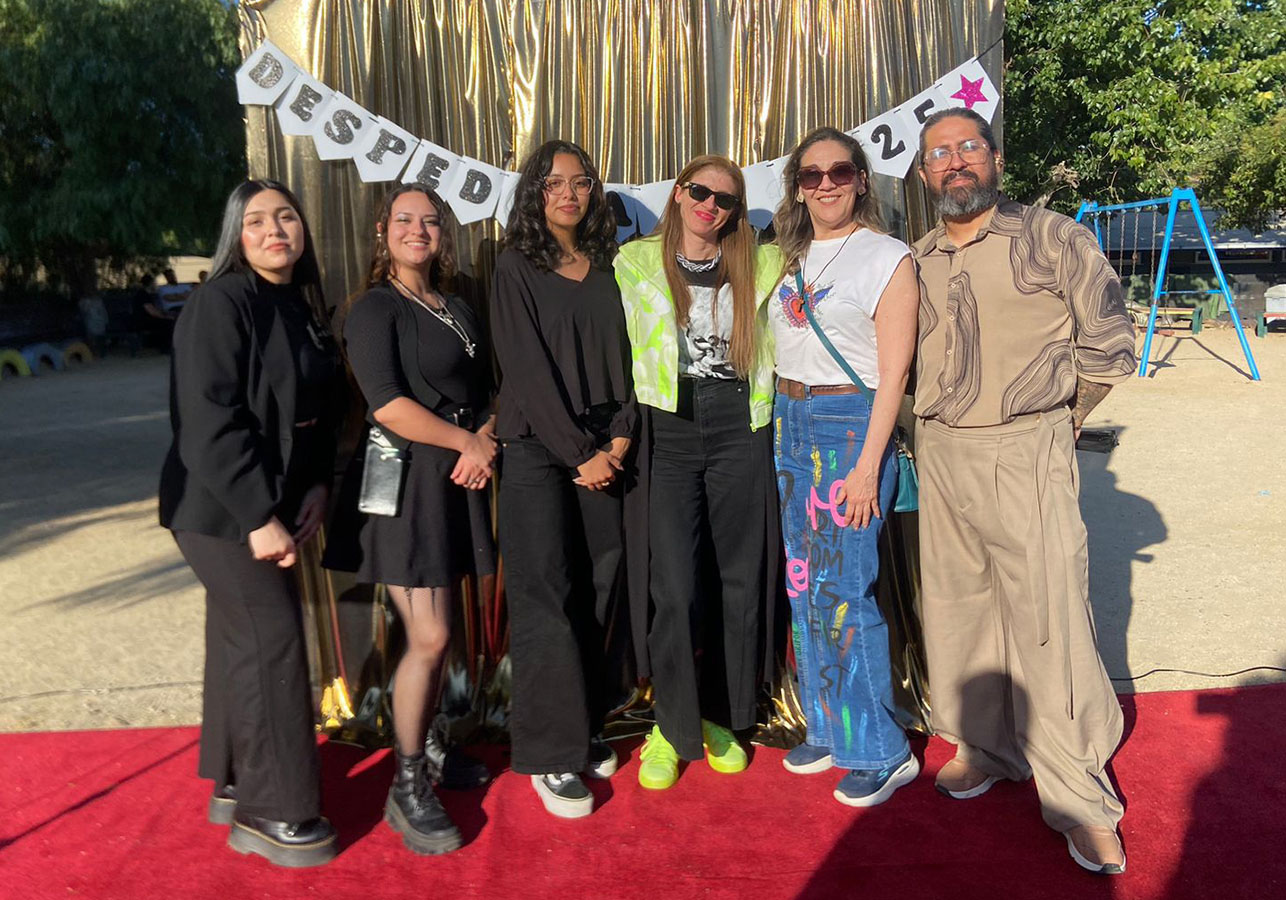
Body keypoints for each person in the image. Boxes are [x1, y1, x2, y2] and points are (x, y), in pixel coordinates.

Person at [911, 108, 1137, 874]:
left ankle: (1078, 795)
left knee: (1048, 620)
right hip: (941, 452)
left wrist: (1059, 424)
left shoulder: (1055, 236)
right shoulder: (915, 261)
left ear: (996, 159)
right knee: (959, 608)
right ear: (922, 175)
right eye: (939, 154)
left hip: (1026, 444)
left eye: (968, 147)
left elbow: (1107, 347)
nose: (954, 162)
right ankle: (987, 748)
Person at [158, 179, 341, 867]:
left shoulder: (301, 305)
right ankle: (275, 812)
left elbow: (318, 410)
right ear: (236, 234)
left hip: (271, 504)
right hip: (219, 510)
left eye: (287, 217)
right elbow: (206, 422)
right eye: (257, 220)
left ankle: (237, 781)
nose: (275, 230)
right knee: (272, 639)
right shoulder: (220, 300)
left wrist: (318, 485)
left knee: (242, 639)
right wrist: (259, 516)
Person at [322, 184, 496, 855]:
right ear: (382, 231)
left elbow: (488, 393)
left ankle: (426, 743)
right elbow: (388, 405)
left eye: (430, 221)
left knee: (435, 636)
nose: (417, 230)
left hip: (454, 478)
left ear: (443, 235)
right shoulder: (372, 310)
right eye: (404, 219)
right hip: (402, 486)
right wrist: (468, 444)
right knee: (429, 637)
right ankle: (407, 783)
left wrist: (487, 438)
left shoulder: (455, 307)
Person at [613, 155, 783, 789]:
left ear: (738, 211)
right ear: (680, 194)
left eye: (727, 200)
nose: (712, 206)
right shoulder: (634, 263)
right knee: (677, 586)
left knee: (738, 578)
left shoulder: (764, 263)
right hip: (668, 423)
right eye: (702, 192)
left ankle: (723, 716)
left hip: (742, 421)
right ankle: (670, 725)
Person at [768, 127, 921, 807]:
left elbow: (893, 376)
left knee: (846, 590)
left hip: (846, 426)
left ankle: (882, 749)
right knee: (806, 586)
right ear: (797, 187)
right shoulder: (787, 256)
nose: (825, 184)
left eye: (838, 171)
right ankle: (830, 724)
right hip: (789, 420)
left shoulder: (887, 257)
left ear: (861, 179)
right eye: (811, 175)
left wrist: (866, 467)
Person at [490, 139, 638, 818]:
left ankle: (583, 723)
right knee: (546, 594)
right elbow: (525, 369)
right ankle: (550, 754)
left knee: (602, 585)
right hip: (538, 450)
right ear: (533, 193)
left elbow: (643, 350)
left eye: (581, 183)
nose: (569, 194)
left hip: (607, 444)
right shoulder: (515, 266)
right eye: (554, 183)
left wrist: (618, 434)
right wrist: (580, 450)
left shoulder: (613, 264)